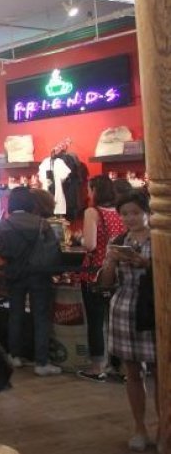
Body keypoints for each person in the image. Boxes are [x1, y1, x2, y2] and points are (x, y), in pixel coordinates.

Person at [97, 190, 159, 452]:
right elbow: (106, 283)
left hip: (154, 310)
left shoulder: (160, 238)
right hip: (123, 309)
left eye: (135, 212)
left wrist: (146, 263)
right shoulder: (118, 241)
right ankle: (139, 428)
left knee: (161, 373)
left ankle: (164, 428)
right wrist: (111, 261)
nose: (130, 218)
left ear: (147, 212)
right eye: (124, 214)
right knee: (132, 374)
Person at [0, 187, 62, 376]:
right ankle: (41, 362)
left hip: (14, 274)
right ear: (30, 203)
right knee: (40, 317)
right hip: (39, 275)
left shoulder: (4, 224)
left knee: (15, 314)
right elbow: (53, 250)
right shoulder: (42, 223)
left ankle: (14, 355)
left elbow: (2, 251)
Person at [77, 175, 126, 382]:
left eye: (90, 189)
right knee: (115, 321)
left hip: (94, 272)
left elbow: (90, 244)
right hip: (116, 272)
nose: (88, 193)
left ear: (95, 190)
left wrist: (79, 238)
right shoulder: (119, 212)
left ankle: (97, 367)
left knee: (96, 321)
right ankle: (121, 366)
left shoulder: (92, 212)